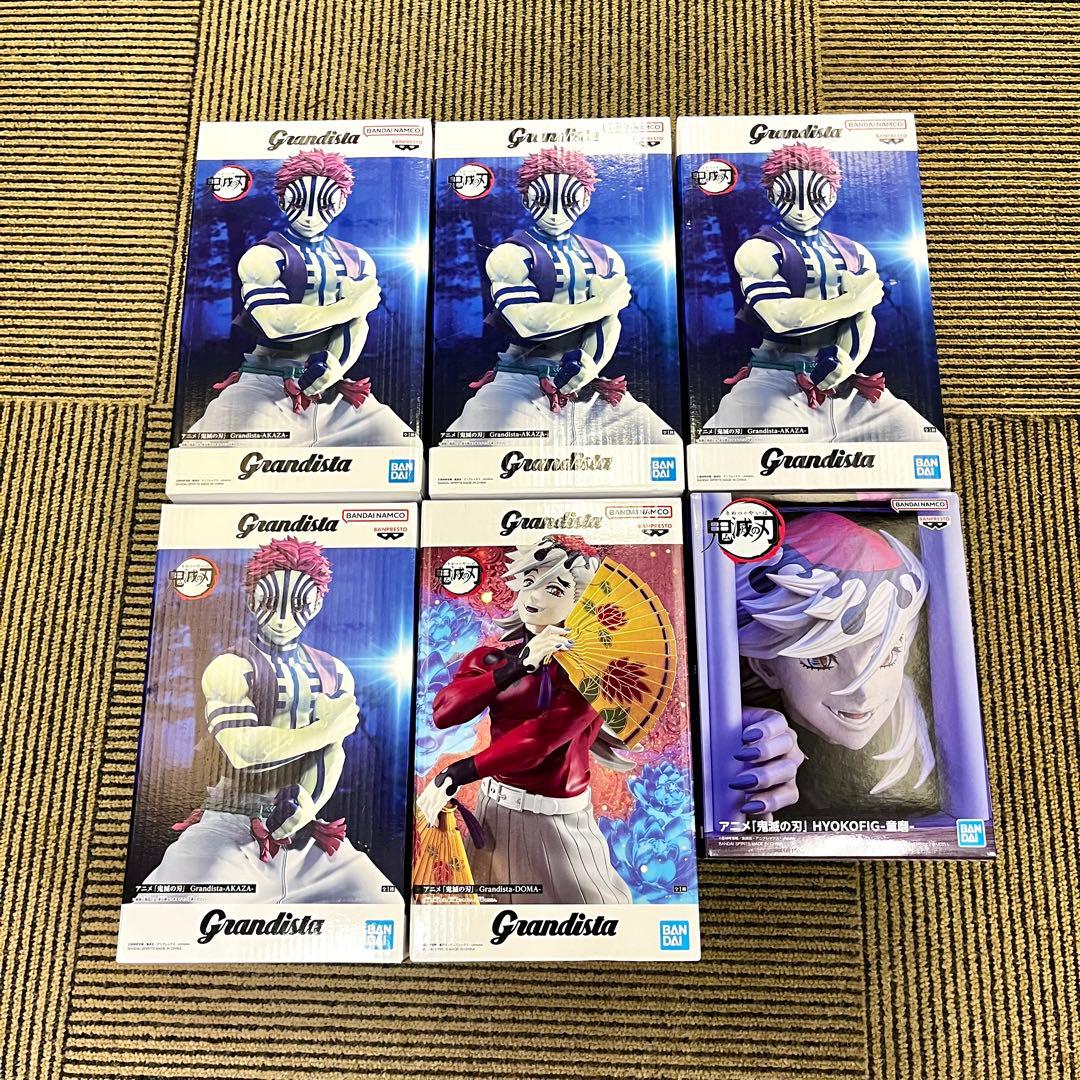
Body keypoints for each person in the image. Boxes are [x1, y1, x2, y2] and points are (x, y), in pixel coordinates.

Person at [137, 538, 398, 904]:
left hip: (303, 830)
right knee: (172, 912)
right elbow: (243, 750)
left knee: (383, 903)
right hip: (229, 824)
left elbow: (331, 753)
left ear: (316, 604)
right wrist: (325, 728)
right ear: (251, 600)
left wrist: (307, 805)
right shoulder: (232, 666)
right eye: (270, 601)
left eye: (298, 604)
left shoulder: (333, 671)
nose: (282, 617)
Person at [415, 534, 634, 904]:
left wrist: (460, 771)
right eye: (530, 581)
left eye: (555, 589)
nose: (534, 596)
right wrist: (517, 666)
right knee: (485, 911)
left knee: (602, 910)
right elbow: (445, 713)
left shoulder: (593, 673)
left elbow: (538, 740)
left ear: (581, 603)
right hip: (492, 813)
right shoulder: (491, 659)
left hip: (560, 822)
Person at [702, 142, 945, 445]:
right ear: (773, 195)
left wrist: (848, 359)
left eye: (815, 196)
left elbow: (863, 318)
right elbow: (780, 318)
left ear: (831, 196)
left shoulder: (855, 252)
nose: (802, 208)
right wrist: (853, 300)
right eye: (789, 196)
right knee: (741, 453)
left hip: (843, 383)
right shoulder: (760, 250)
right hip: (774, 381)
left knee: (924, 443)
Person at [442, 148, 678, 446]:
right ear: (527, 200)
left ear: (585, 200)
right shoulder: (511, 254)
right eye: (543, 200)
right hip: (519, 383)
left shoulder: (604, 256)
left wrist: (591, 363)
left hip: (587, 385)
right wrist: (601, 303)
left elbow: (609, 323)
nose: (555, 213)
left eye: (568, 201)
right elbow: (528, 323)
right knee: (476, 455)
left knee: (664, 445)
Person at [186, 150, 411, 448]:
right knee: (214, 456)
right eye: (298, 202)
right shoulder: (264, 256)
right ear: (283, 202)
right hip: (265, 384)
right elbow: (275, 323)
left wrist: (336, 365)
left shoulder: (357, 258)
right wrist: (351, 305)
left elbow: (357, 324)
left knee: (402, 445)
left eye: (324, 203)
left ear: (340, 203)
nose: (310, 214)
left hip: (331, 388)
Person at [728, 512, 939, 819]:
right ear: (766, 667)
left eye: (887, 655)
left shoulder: (928, 725)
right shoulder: (747, 728)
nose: (862, 692)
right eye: (822, 659)